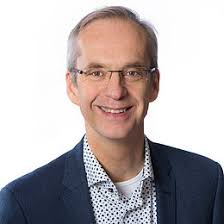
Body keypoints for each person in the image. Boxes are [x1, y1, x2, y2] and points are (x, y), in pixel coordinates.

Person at [0, 6, 223, 224]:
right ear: (72, 86)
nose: (116, 91)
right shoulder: (24, 204)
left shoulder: (206, 183)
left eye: (133, 72)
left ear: (154, 84)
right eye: (97, 72)